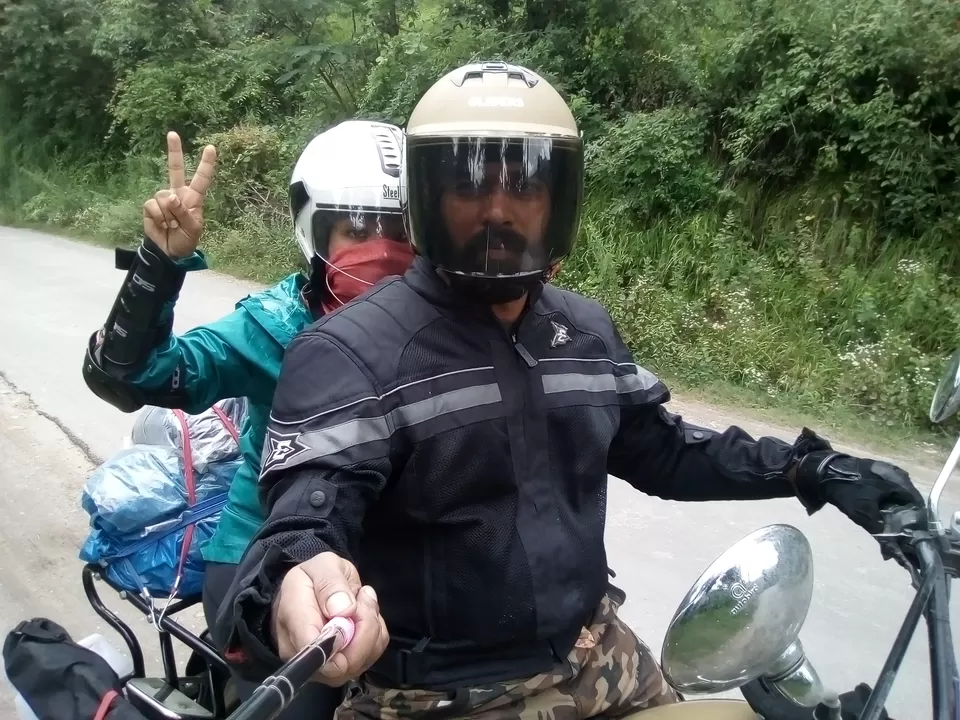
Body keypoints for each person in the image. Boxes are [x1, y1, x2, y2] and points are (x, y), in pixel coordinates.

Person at [216, 62, 917, 719]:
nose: (497, 210)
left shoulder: (582, 330)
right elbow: (308, 517)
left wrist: (808, 467)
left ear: (559, 199)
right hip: (446, 697)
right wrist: (299, 582)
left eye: (522, 185)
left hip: (598, 651)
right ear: (426, 198)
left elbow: (663, 450)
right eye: (468, 186)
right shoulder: (349, 352)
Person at [80, 119, 415, 715]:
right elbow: (127, 375)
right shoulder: (276, 327)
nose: (383, 249)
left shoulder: (437, 327)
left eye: (401, 229)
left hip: (379, 559)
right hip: (266, 565)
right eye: (357, 227)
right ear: (314, 230)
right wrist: (157, 264)